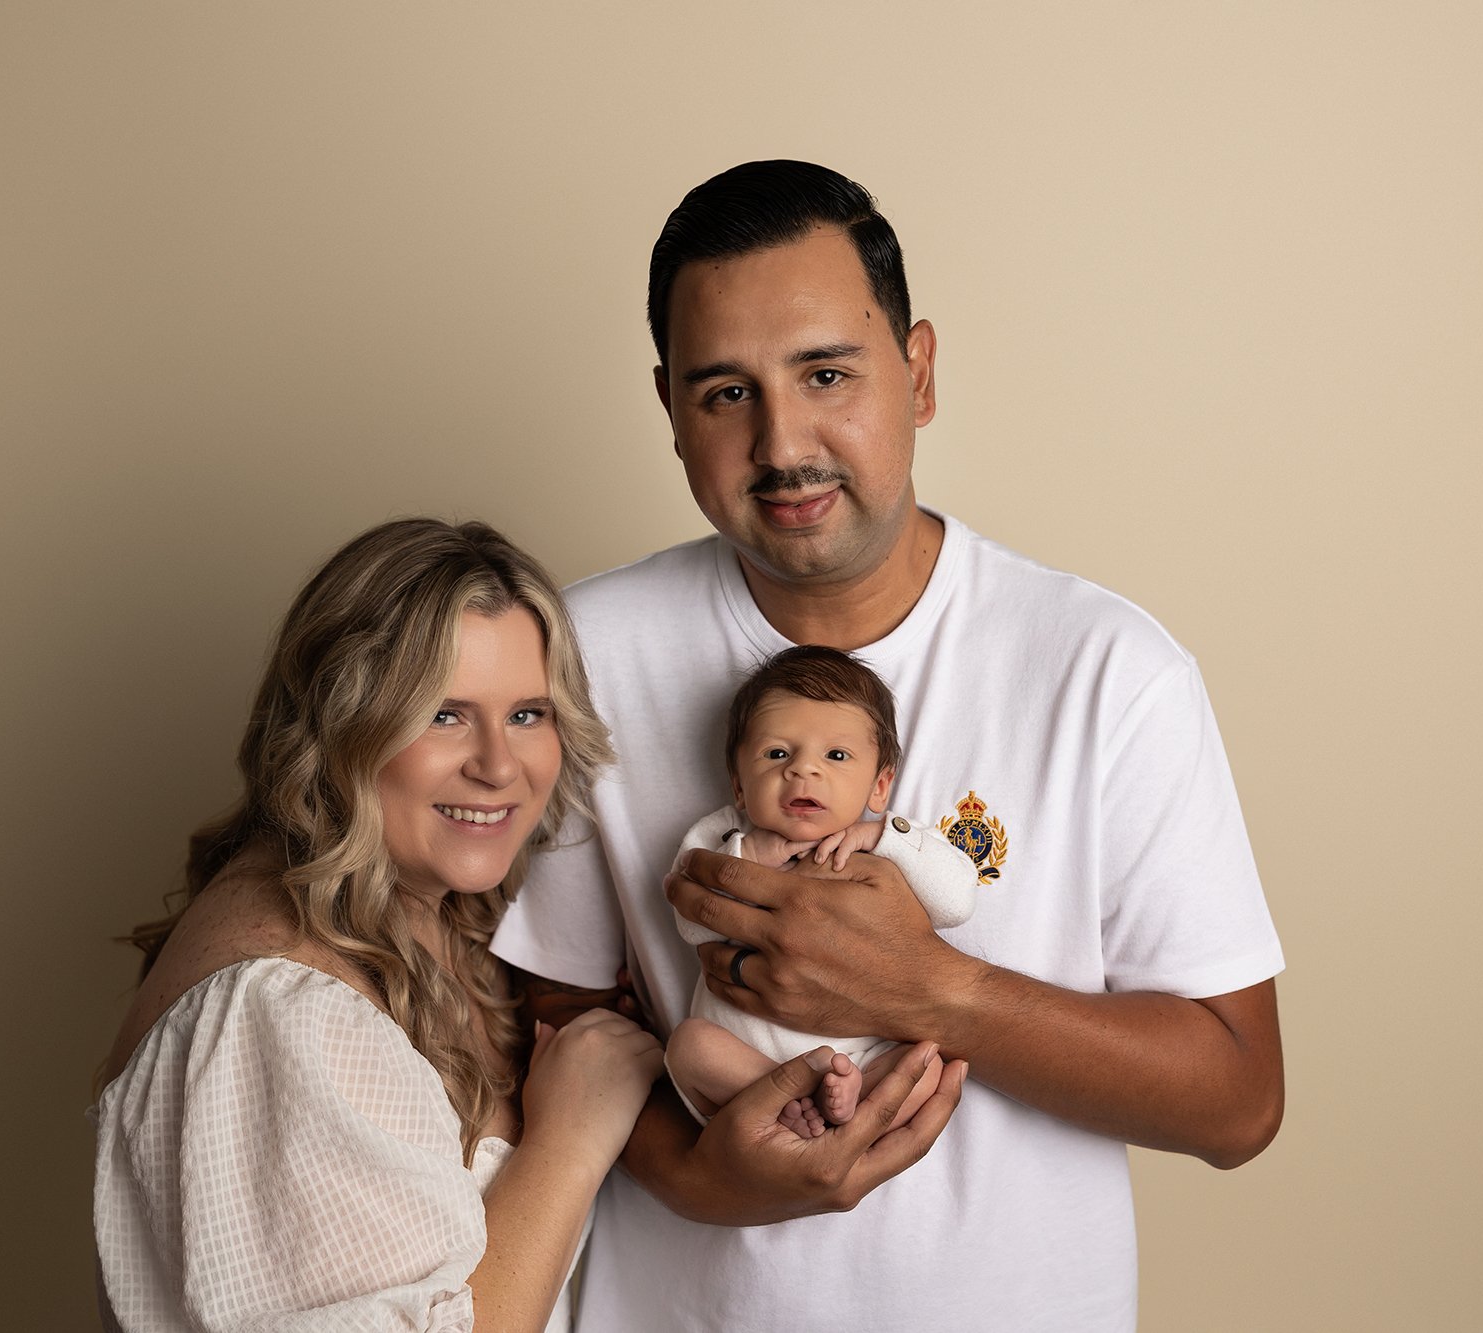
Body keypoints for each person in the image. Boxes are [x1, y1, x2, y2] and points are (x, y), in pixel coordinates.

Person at [489, 161, 1286, 1332]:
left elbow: (1236, 1100)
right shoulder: (582, 652)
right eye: (723, 394)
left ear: (916, 373)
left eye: (826, 373)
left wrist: (934, 989)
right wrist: (706, 1180)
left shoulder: (1108, 669)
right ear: (667, 410)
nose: (781, 443)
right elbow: (552, 1025)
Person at [92, 518, 665, 1333]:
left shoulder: (443, 916)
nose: (500, 766)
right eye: (444, 715)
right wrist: (570, 1140)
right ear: (341, 726)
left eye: (529, 713)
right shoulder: (280, 1010)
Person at [662, 645, 976, 1139]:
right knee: (688, 1047)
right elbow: (690, 921)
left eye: (836, 755)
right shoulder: (722, 837)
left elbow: (957, 903)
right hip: (743, 1061)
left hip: (855, 1060)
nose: (803, 770)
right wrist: (748, 856)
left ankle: (844, 1098)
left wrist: (884, 836)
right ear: (740, 785)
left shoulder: (891, 845)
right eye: (777, 753)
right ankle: (783, 1098)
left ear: (879, 786)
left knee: (927, 1067)